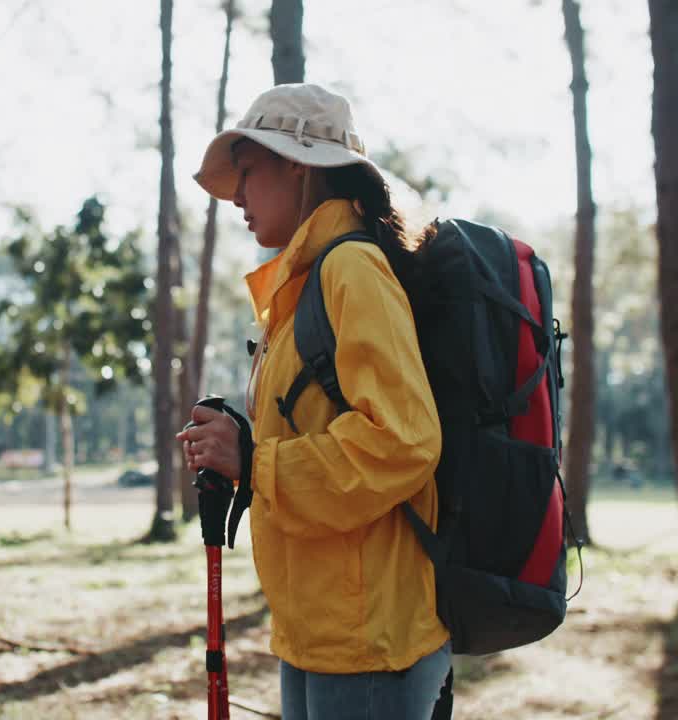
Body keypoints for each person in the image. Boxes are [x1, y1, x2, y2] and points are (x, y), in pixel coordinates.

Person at [175, 83, 450, 719]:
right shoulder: (302, 288)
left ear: (298, 166)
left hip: (370, 639)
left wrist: (255, 464)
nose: (236, 195)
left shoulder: (350, 270)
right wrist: (241, 449)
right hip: (319, 627)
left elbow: (404, 441)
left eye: (246, 171)